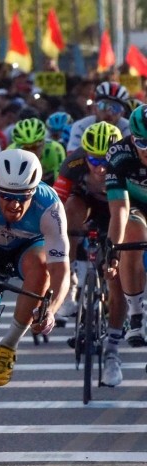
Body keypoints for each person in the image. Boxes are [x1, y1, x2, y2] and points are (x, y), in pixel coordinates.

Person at [0, 149, 69, 389]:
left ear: (34, 191)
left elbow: (60, 269)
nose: (14, 204)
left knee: (41, 267)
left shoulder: (50, 206)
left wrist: (51, 310)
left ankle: (9, 345)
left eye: (23, 196)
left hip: (26, 249)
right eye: (6, 196)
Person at [50, 121, 126, 385]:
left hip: (120, 208)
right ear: (85, 155)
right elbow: (55, 206)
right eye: (94, 159)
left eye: (107, 160)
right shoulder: (72, 164)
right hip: (86, 204)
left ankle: (113, 355)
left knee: (116, 281)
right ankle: (70, 280)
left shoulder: (127, 163)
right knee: (68, 211)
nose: (101, 167)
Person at [105, 104, 147, 351]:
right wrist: (113, 249)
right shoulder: (119, 154)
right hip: (134, 206)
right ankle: (135, 314)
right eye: (143, 144)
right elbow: (119, 209)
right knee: (132, 237)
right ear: (132, 139)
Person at [66, 81, 130, 153]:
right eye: (103, 106)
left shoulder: (129, 128)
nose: (109, 113)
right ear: (95, 108)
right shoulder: (80, 126)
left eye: (115, 108)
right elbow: (72, 155)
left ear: (122, 113)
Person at [7, 118, 66, 186]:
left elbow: (60, 184)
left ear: (43, 143)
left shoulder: (55, 149)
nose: (31, 152)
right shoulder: (11, 152)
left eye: (35, 147)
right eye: (26, 148)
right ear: (18, 146)